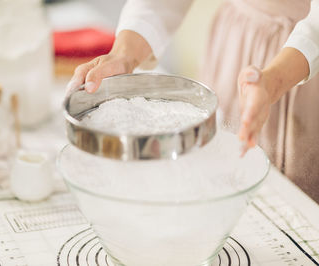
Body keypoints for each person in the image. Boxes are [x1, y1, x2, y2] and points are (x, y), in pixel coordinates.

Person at [67, 0, 319, 202]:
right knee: (224, 179)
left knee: (295, 203)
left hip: (302, 63)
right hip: (234, 43)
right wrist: (124, 54)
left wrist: (274, 81)